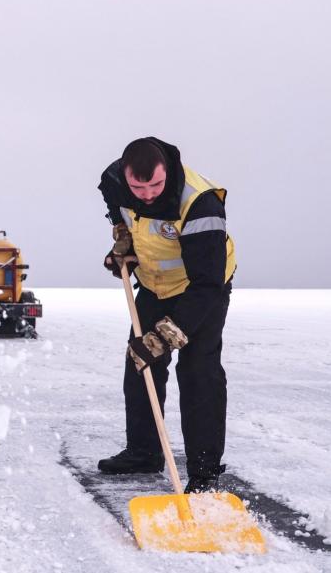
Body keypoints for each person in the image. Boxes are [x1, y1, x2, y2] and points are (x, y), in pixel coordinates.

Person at [97, 137, 237, 493]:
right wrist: (123, 249)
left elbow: (207, 284)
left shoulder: (199, 203)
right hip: (154, 285)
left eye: (156, 185)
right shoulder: (114, 182)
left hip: (202, 287)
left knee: (198, 370)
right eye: (138, 186)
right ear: (125, 176)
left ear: (167, 172)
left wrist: (162, 337)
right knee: (140, 362)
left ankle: (204, 472)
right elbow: (124, 219)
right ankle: (144, 452)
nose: (146, 194)